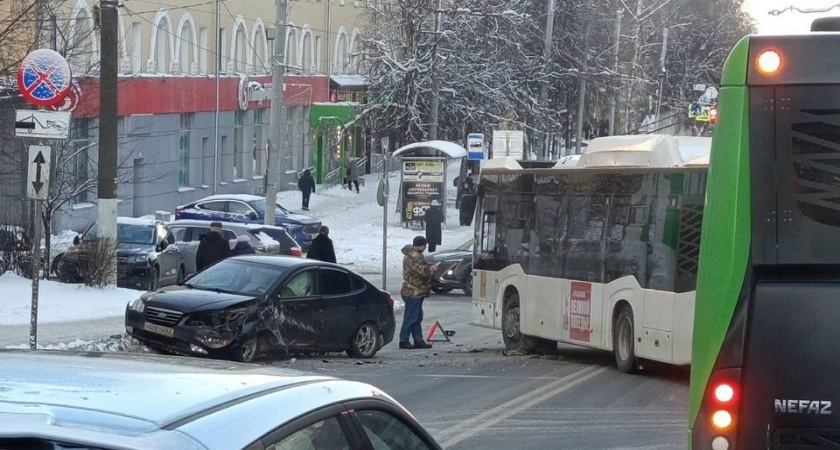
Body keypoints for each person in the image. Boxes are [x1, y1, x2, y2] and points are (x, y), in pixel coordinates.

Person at [399, 236, 436, 349]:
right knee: (411, 317)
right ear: (422, 245)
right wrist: (432, 269)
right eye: (424, 245)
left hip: (414, 290)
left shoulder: (412, 255)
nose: (425, 248)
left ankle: (418, 339)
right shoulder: (415, 256)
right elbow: (423, 272)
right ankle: (404, 340)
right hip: (413, 291)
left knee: (417, 317)